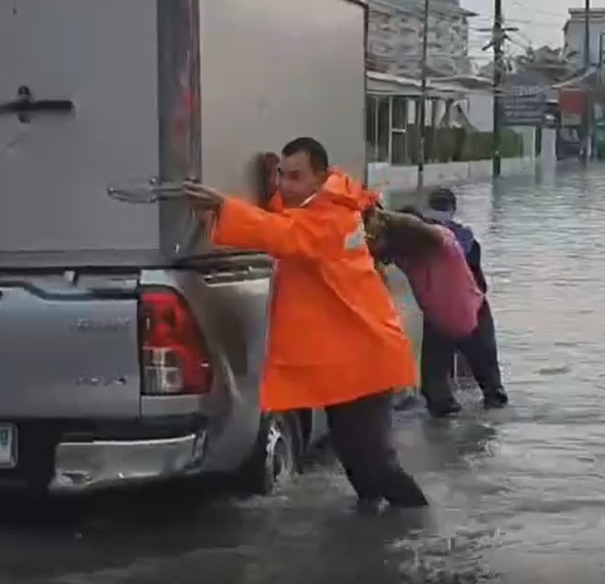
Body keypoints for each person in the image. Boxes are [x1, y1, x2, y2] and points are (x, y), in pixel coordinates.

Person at [181, 137, 429, 512]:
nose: (285, 186)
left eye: (295, 177)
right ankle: (379, 537)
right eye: (282, 175)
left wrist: (223, 205)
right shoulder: (323, 205)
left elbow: (287, 234)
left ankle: (419, 529)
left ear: (321, 179)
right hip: (348, 360)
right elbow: (284, 219)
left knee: (377, 466)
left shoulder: (335, 219)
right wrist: (268, 187)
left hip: (366, 361)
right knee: (359, 467)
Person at [365, 207, 486, 418]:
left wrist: (381, 217)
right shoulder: (407, 255)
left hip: (469, 314)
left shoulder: (441, 242)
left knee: (484, 384)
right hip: (443, 317)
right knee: (438, 393)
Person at [420, 187, 509, 411]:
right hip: (473, 309)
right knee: (491, 384)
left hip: (439, 312)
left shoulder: (420, 239)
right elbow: (479, 281)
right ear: (453, 209)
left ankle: (441, 426)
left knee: (435, 384)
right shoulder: (466, 238)